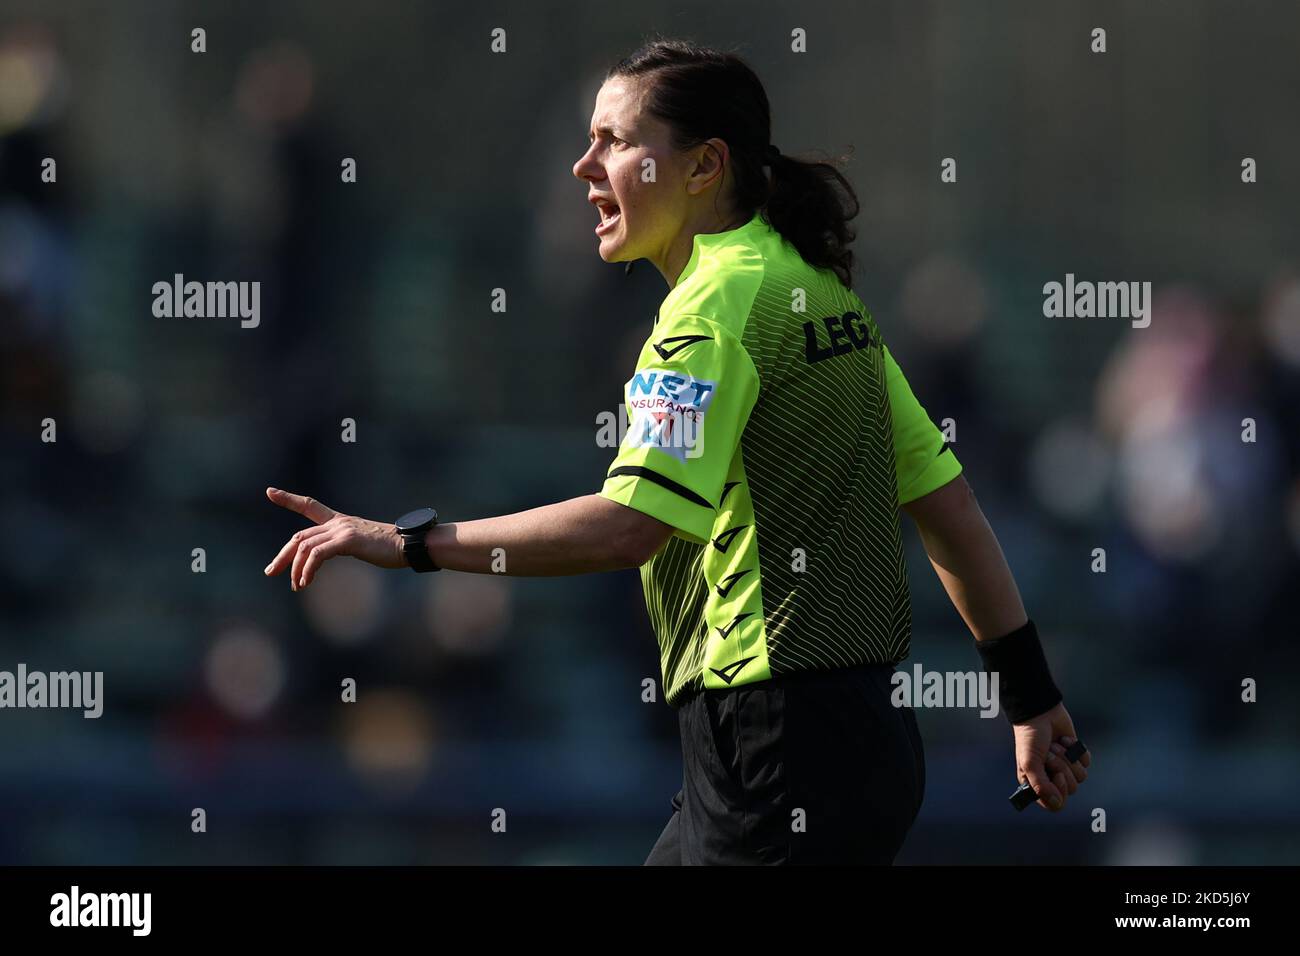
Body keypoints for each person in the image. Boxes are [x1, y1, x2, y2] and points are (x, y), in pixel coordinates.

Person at [263, 37, 1090, 865]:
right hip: (855, 742)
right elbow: (950, 508)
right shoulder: (816, 292)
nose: (585, 166)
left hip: (777, 753)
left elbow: (630, 527)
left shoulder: (709, 311)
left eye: (616, 142)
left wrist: (410, 544)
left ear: (703, 168)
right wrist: (1028, 695)